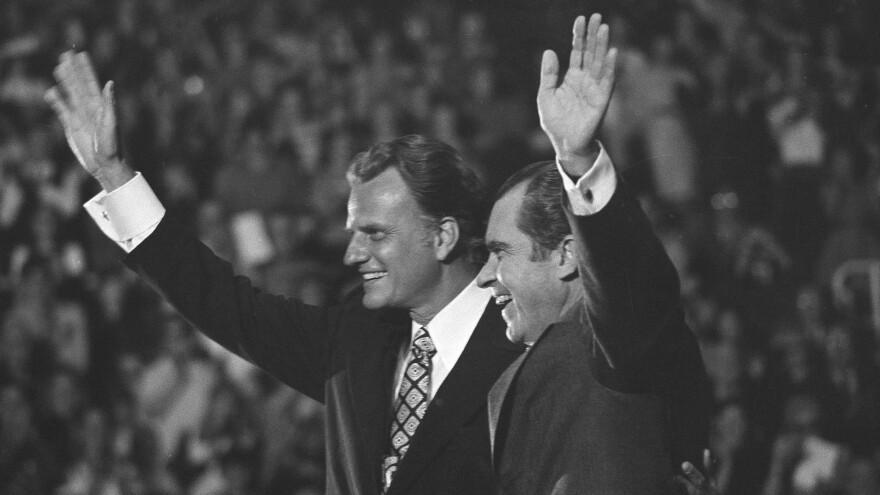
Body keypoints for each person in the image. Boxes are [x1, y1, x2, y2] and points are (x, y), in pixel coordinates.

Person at [45, 53, 522, 494]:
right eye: (353, 232)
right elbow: (226, 305)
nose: (352, 255)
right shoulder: (358, 334)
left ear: (443, 237)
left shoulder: (526, 350)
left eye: (374, 234)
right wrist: (113, 175)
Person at [476, 14, 714, 494]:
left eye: (501, 252)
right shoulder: (503, 381)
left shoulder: (612, 335)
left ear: (568, 255)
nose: (484, 276)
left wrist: (578, 160)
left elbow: (630, 278)